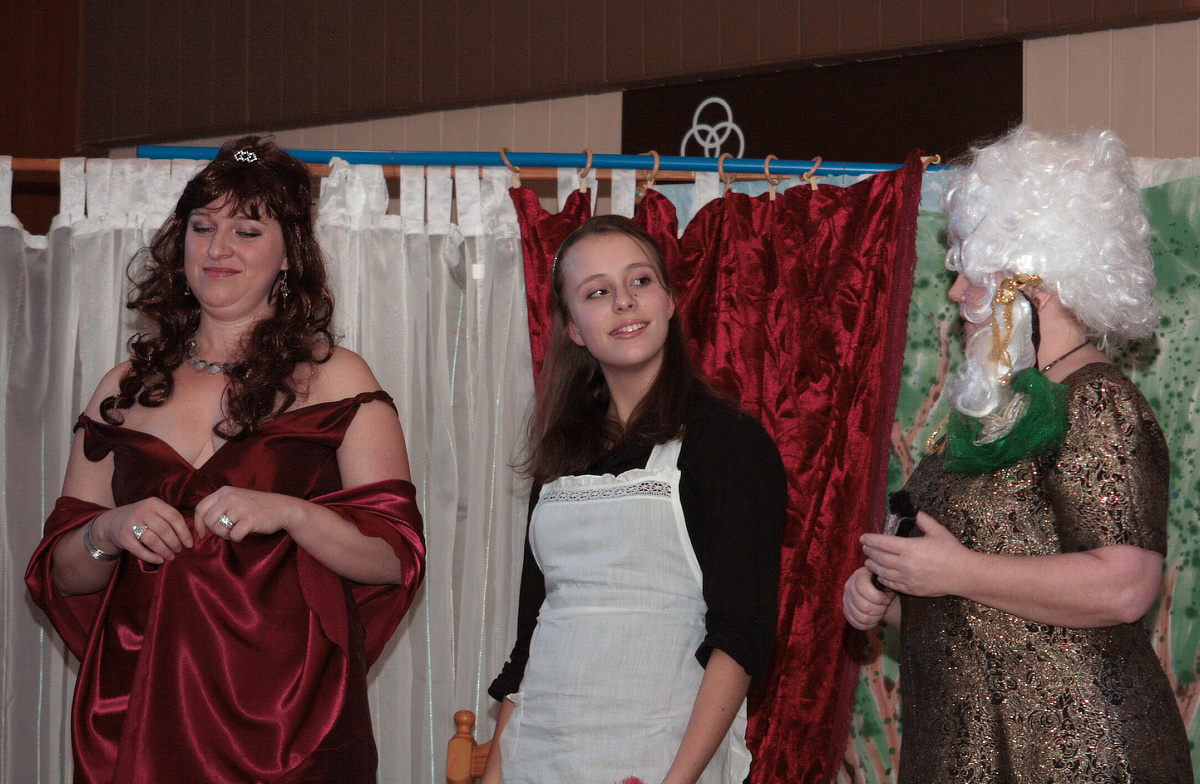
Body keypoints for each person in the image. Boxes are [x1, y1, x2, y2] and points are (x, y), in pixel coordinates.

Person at [25, 136, 425, 784]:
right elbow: (60, 573)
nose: (218, 249)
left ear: (289, 254)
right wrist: (107, 529)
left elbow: (396, 557)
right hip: (139, 714)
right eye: (203, 227)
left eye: (247, 230)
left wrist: (290, 513)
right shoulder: (122, 387)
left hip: (295, 725)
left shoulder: (338, 378)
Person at [842, 127, 1193, 783]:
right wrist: (895, 597)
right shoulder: (990, 412)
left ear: (1038, 288)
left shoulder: (1097, 401)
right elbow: (981, 602)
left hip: (1077, 759)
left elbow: (1124, 586)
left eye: (974, 278)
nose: (955, 294)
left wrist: (956, 571)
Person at [482, 215, 786, 784]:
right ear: (574, 328)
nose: (624, 301)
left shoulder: (730, 443)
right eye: (597, 292)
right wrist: (495, 775)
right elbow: (531, 638)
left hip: (662, 758)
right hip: (539, 757)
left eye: (640, 281)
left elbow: (741, 638)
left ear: (670, 301)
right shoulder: (558, 457)